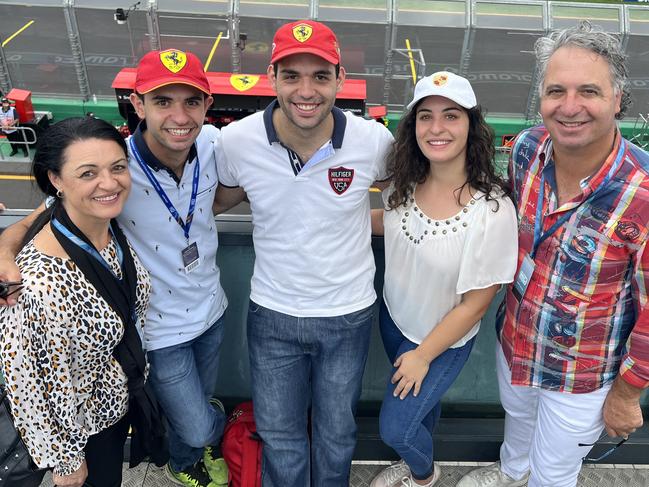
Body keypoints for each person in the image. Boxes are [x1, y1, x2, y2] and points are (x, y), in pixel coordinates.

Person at [0, 49, 229, 487]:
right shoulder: (112, 165)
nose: (179, 116)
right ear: (138, 105)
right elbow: (36, 221)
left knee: (199, 404)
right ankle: (209, 431)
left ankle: (184, 461)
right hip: (160, 332)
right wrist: (4, 253)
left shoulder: (214, 145)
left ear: (207, 106)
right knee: (199, 423)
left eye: (192, 101)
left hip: (211, 308)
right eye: (163, 101)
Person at [458, 22, 649, 487]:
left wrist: (626, 395)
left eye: (589, 91)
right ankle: (510, 472)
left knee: (555, 473)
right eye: (555, 90)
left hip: (583, 373)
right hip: (517, 340)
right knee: (517, 424)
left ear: (618, 98)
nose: (569, 107)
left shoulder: (643, 193)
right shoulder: (527, 149)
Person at [214, 20, 394, 486]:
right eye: (291, 75)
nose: (305, 90)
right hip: (271, 314)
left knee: (337, 436)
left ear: (339, 79)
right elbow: (210, 203)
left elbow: (408, 205)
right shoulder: (237, 141)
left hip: (348, 315)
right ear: (272, 79)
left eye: (319, 76)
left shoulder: (372, 142)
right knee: (279, 436)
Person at [368, 72, 518, 487]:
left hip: (441, 340)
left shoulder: (491, 210)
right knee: (422, 411)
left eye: (450, 116)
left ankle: (424, 475)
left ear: (472, 125)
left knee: (396, 430)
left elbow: (476, 304)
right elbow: (395, 225)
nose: (436, 128)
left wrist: (422, 356)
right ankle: (423, 451)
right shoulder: (405, 184)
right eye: (425, 117)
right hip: (395, 320)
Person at [0, 117, 153, 487]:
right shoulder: (36, 286)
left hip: (112, 407)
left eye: (117, 167)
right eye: (88, 173)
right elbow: (27, 386)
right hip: (82, 433)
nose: (109, 182)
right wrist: (66, 461)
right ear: (56, 180)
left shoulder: (100, 224)